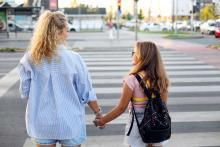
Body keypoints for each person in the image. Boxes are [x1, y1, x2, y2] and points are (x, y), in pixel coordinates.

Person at [18, 10, 102, 147]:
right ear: (60, 32)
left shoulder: (29, 59)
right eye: (67, 30)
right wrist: (98, 113)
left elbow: (25, 92)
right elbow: (86, 92)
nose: (68, 34)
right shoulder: (74, 59)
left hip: (41, 123)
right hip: (70, 123)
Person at [94, 41, 170, 147]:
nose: (132, 55)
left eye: (133, 52)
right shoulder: (162, 79)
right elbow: (163, 105)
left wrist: (102, 120)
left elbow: (121, 108)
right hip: (157, 124)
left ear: (141, 56)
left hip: (137, 125)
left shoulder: (132, 79)